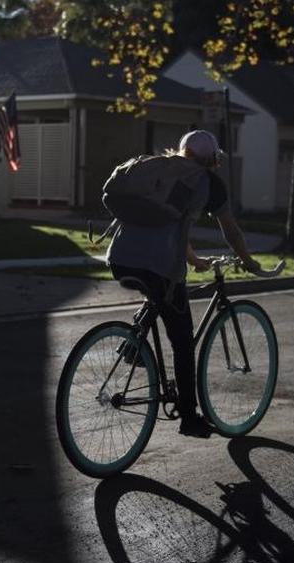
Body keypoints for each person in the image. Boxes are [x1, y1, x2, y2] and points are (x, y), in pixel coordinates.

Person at [105, 130, 260, 437]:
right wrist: (249, 261)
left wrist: (193, 260)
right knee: (182, 340)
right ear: (214, 160)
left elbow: (171, 224)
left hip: (120, 259)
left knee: (158, 295)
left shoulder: (157, 168)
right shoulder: (208, 182)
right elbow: (231, 230)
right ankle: (190, 418)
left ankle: (134, 347)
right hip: (158, 266)